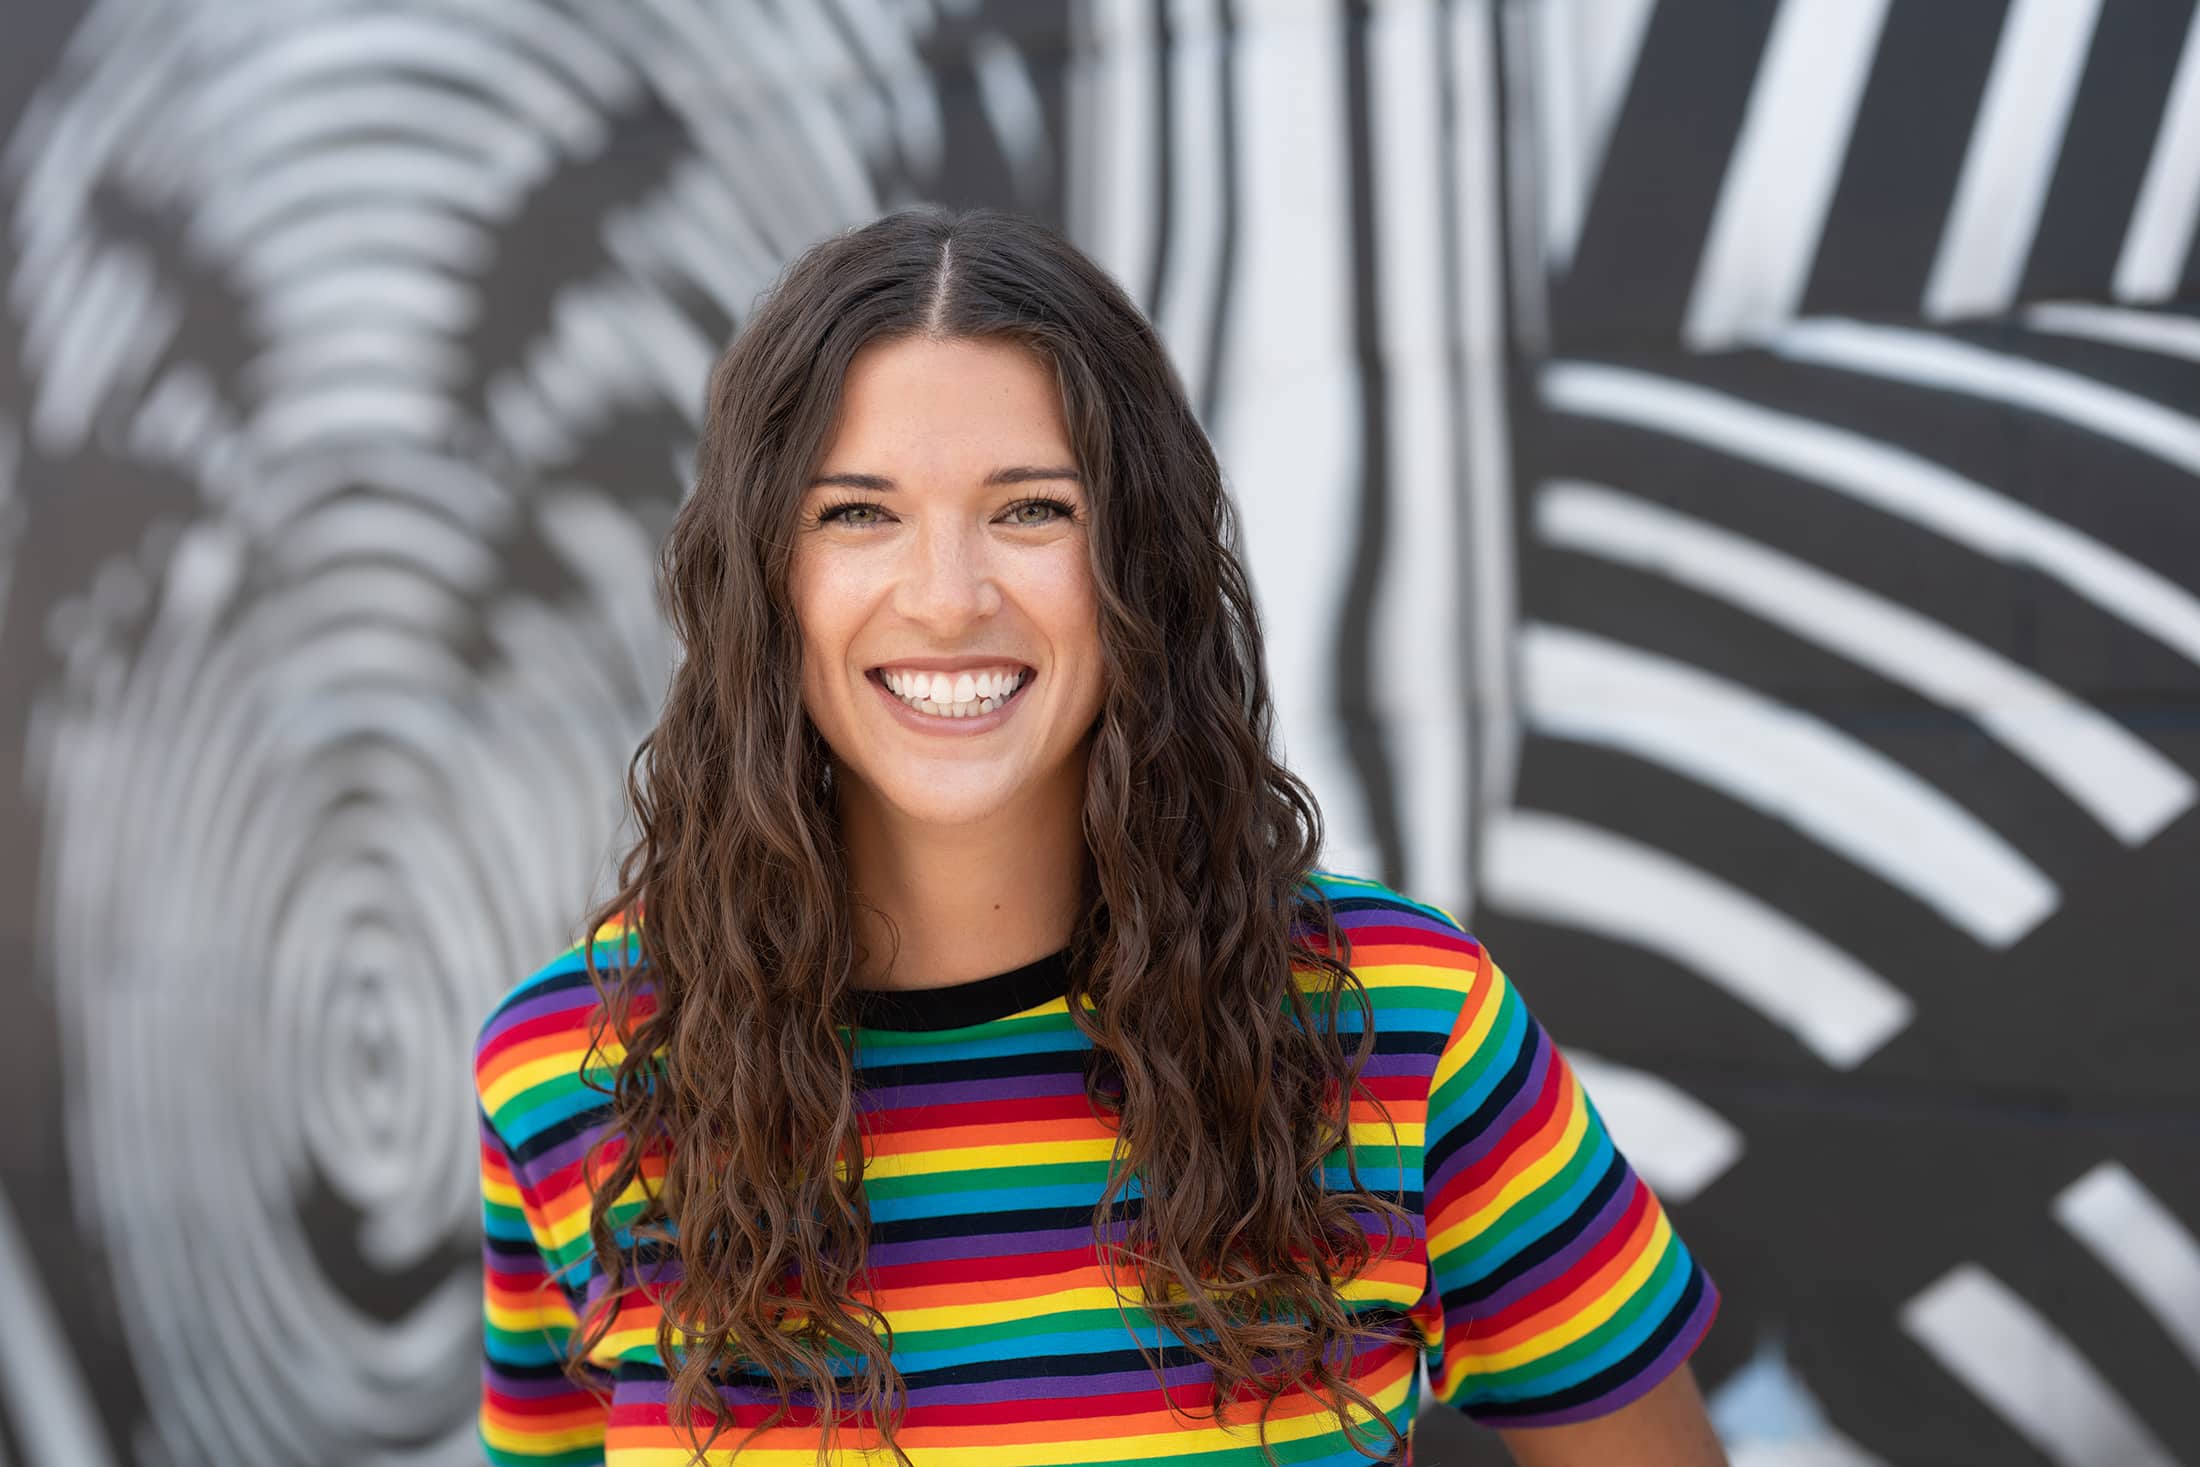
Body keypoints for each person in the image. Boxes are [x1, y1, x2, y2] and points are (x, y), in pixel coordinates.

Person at [472, 205, 1726, 1467]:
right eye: (856, 513)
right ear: (761, 576)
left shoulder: (1402, 1023)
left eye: (1031, 510)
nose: (948, 597)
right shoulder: (566, 1074)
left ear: (1142, 557)